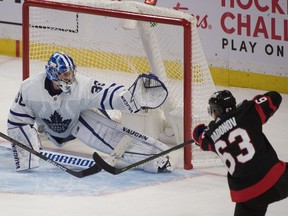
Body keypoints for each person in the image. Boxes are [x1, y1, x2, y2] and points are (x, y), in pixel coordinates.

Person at [7, 51, 173, 173]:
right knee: (25, 133)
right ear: (52, 73)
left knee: (112, 136)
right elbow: (17, 120)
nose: (70, 77)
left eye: (71, 72)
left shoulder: (82, 86)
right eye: (65, 74)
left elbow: (106, 93)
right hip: (48, 131)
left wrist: (128, 97)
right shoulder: (30, 88)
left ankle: (157, 158)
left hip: (77, 122)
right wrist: (26, 156)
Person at [192, 90, 288, 216]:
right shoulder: (248, 111)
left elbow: (197, 135)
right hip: (278, 180)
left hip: (249, 196)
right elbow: (275, 97)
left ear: (216, 111)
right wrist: (253, 103)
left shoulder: (210, 135)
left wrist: (204, 129)